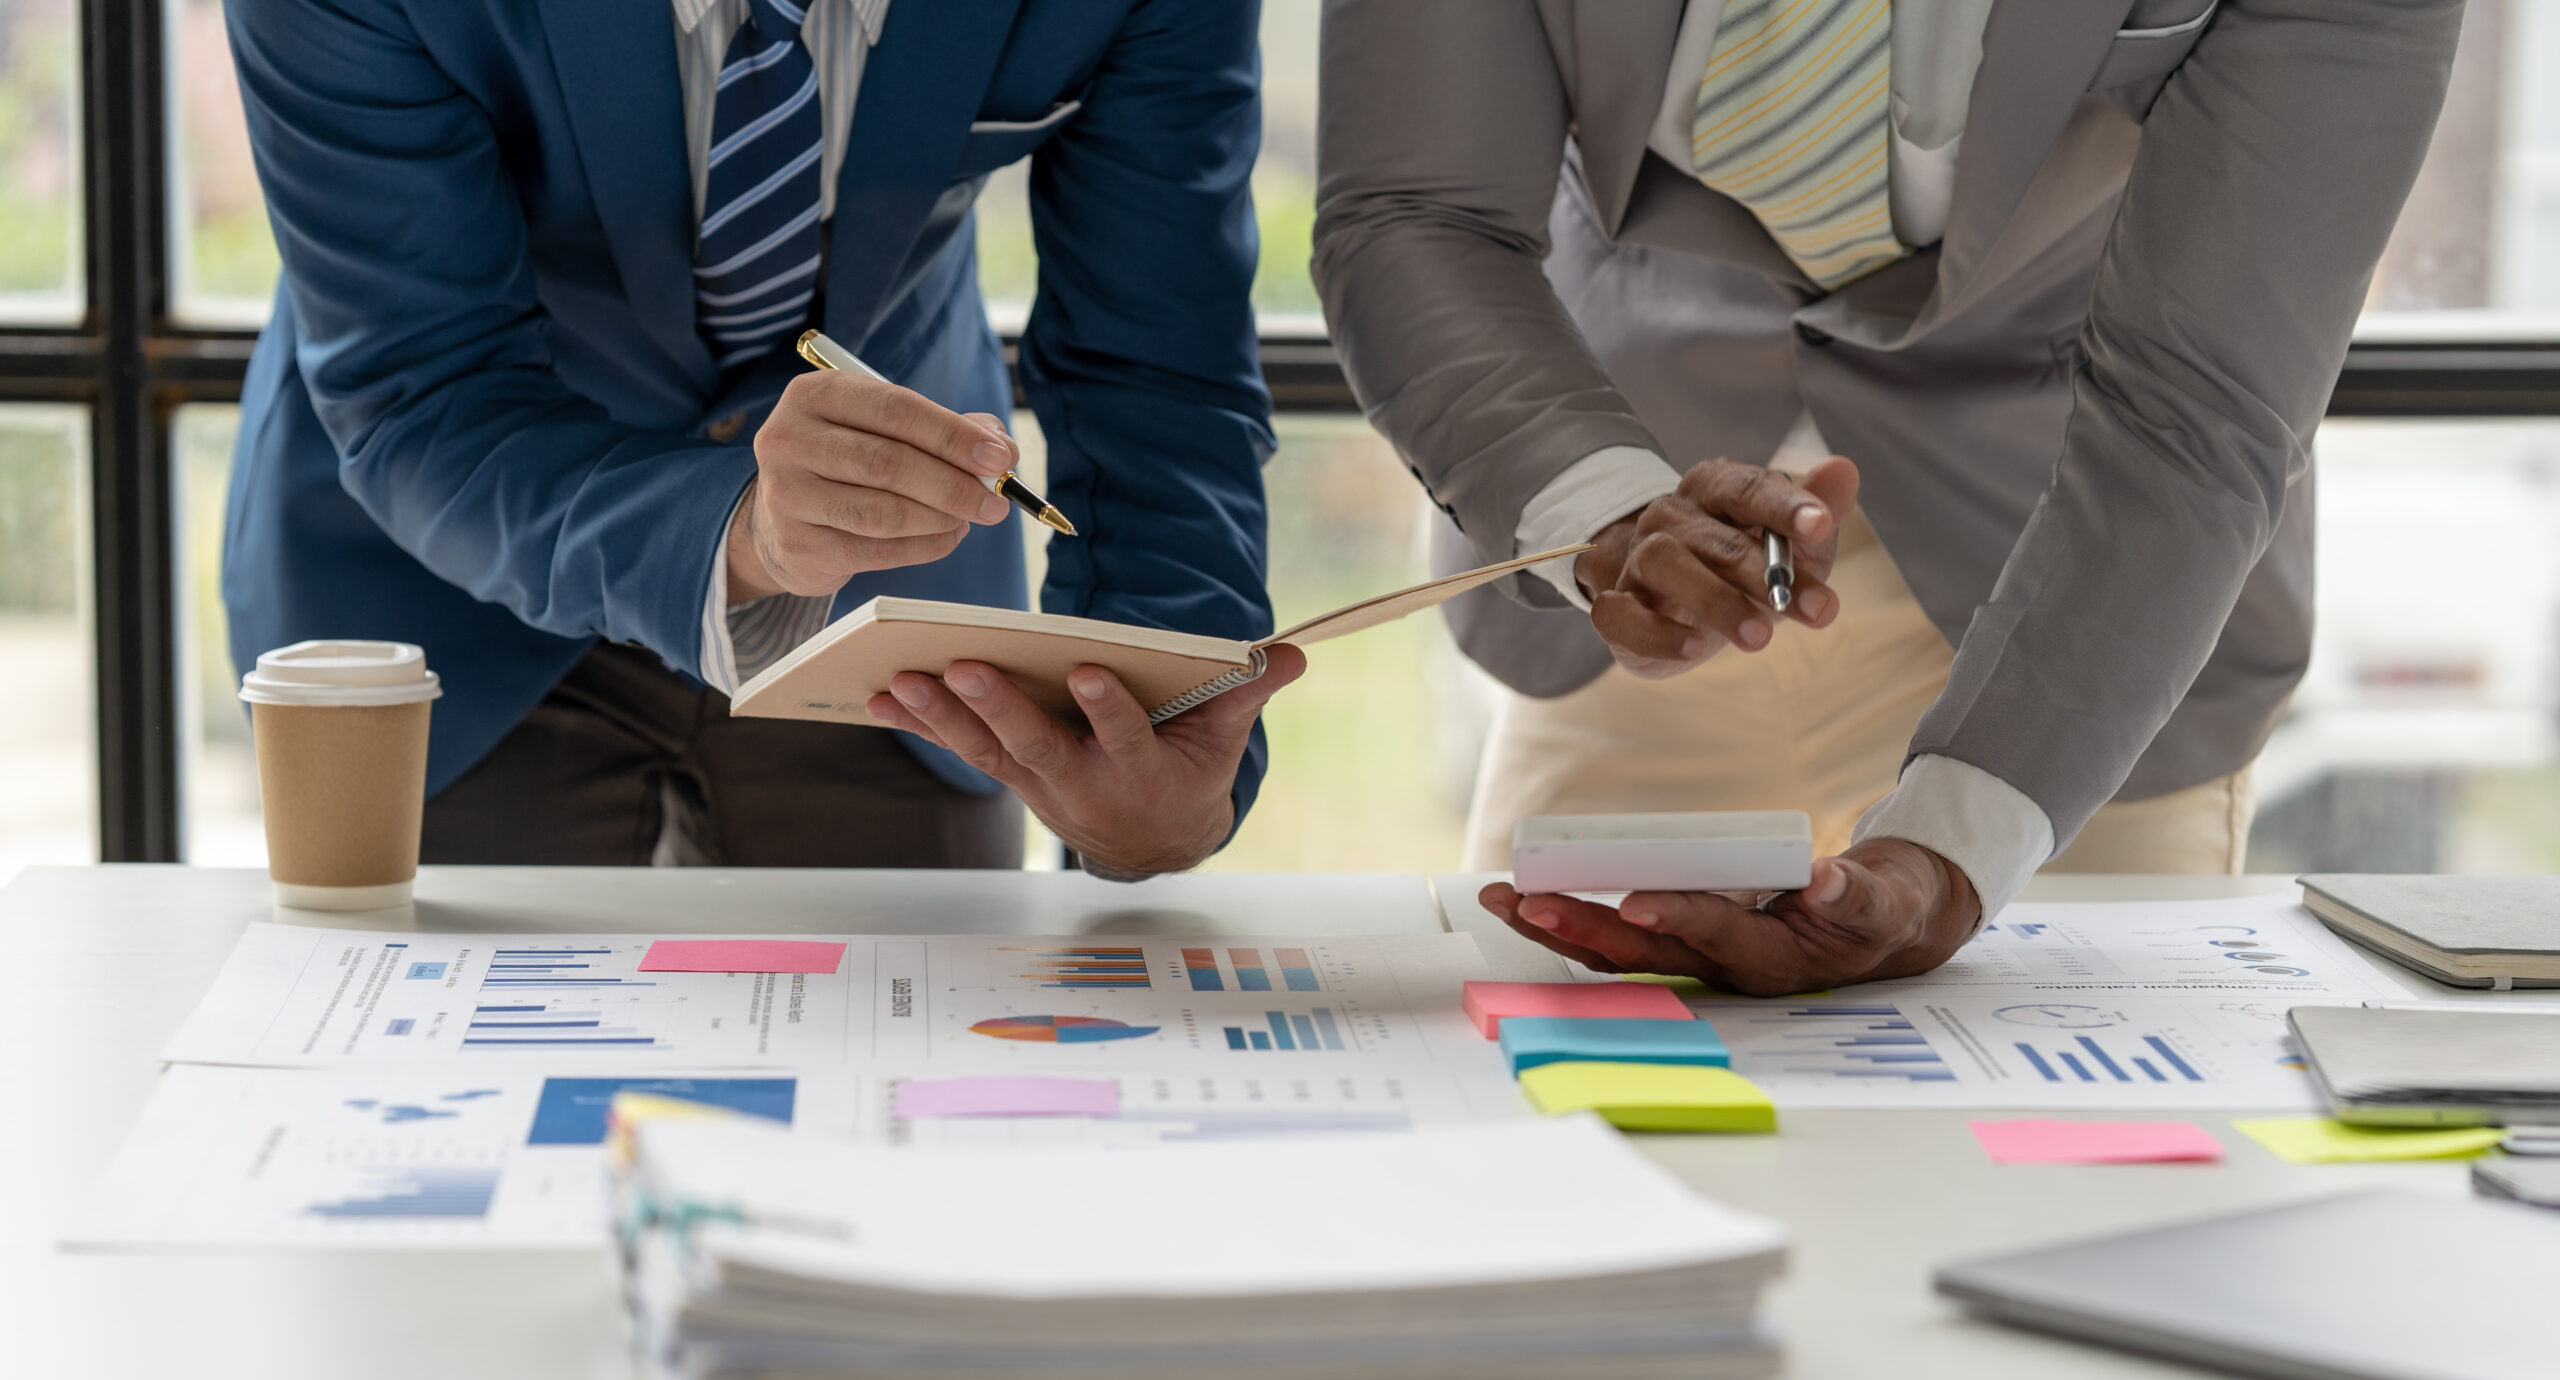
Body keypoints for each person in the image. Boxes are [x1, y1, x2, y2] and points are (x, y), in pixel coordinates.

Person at [1313, 0, 2459, 989]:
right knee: (1576, 1134)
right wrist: (1599, 509)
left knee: (2085, 1197)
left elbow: (2197, 393)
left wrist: (1956, 850)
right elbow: (1423, 209)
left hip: (2076, 592)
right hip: (1640, 531)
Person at [221, 0, 1298, 880]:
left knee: (912, 1091)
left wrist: (1172, 730)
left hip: (895, 603)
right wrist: (735, 536)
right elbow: (429, 384)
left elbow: (1159, 368)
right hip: (451, 572)